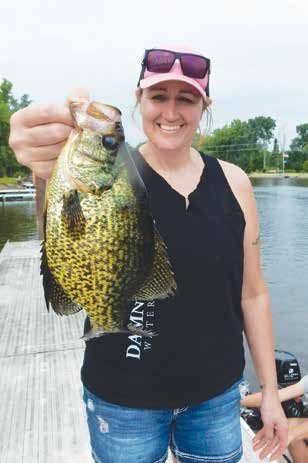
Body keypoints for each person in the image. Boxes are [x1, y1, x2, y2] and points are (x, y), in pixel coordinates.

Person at [9, 44, 289, 463]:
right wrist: (44, 170)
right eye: (158, 96)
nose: (171, 112)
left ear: (204, 106)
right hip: (123, 400)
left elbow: (253, 295)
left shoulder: (235, 182)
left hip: (216, 395)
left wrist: (270, 393)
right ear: (139, 100)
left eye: (186, 98)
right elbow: (62, 232)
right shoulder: (112, 171)